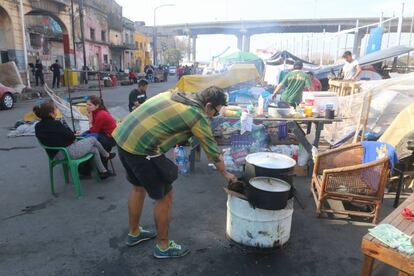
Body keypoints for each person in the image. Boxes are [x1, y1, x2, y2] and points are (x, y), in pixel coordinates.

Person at [112, 86, 237, 259]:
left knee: (138, 188)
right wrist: (226, 174)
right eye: (215, 112)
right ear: (208, 105)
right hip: (143, 150)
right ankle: (163, 247)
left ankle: (134, 233)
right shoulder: (197, 116)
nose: (213, 116)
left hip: (122, 137)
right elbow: (213, 152)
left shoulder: (174, 94)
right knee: (165, 196)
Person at [34, 101, 114, 179]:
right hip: (66, 152)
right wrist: (73, 136)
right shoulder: (55, 124)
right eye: (55, 109)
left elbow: (54, 138)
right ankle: (106, 155)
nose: (56, 111)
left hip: (54, 155)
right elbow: (71, 137)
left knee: (94, 149)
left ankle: (103, 171)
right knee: (92, 139)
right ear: (51, 113)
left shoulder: (37, 126)